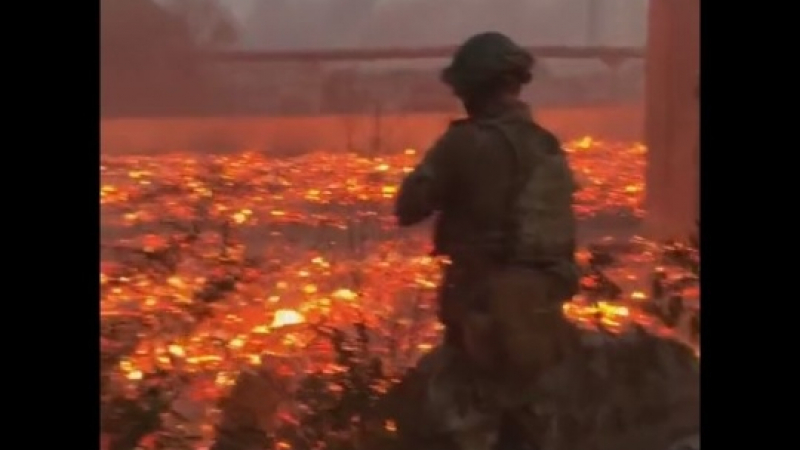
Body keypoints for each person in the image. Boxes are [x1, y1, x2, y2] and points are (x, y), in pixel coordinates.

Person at [394, 32, 580, 449]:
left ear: (472, 89)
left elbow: (408, 207)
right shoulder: (545, 145)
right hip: (540, 317)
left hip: (480, 315)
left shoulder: (463, 144)